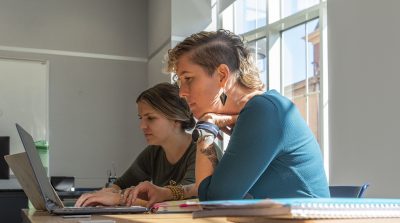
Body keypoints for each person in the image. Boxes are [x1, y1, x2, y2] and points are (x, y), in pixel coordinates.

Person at [131, 29, 330, 202]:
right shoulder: (256, 111)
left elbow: (213, 199)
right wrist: (167, 193)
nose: (182, 91)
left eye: (188, 79)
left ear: (222, 76)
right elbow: (214, 187)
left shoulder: (264, 110)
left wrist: (206, 129)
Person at [75, 82, 199, 207]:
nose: (142, 126)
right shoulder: (153, 151)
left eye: (150, 118)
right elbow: (120, 185)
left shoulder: (201, 152)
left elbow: (185, 200)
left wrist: (119, 198)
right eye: (141, 118)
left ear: (176, 119)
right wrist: (101, 195)